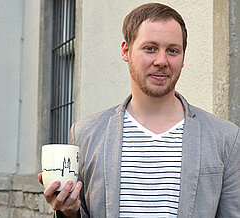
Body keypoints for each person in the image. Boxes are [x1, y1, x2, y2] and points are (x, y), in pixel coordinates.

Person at [38, 3, 240, 217]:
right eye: (150, 48)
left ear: (182, 58)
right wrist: (68, 212)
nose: (161, 61)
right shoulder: (86, 134)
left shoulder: (224, 137)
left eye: (172, 50)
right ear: (126, 51)